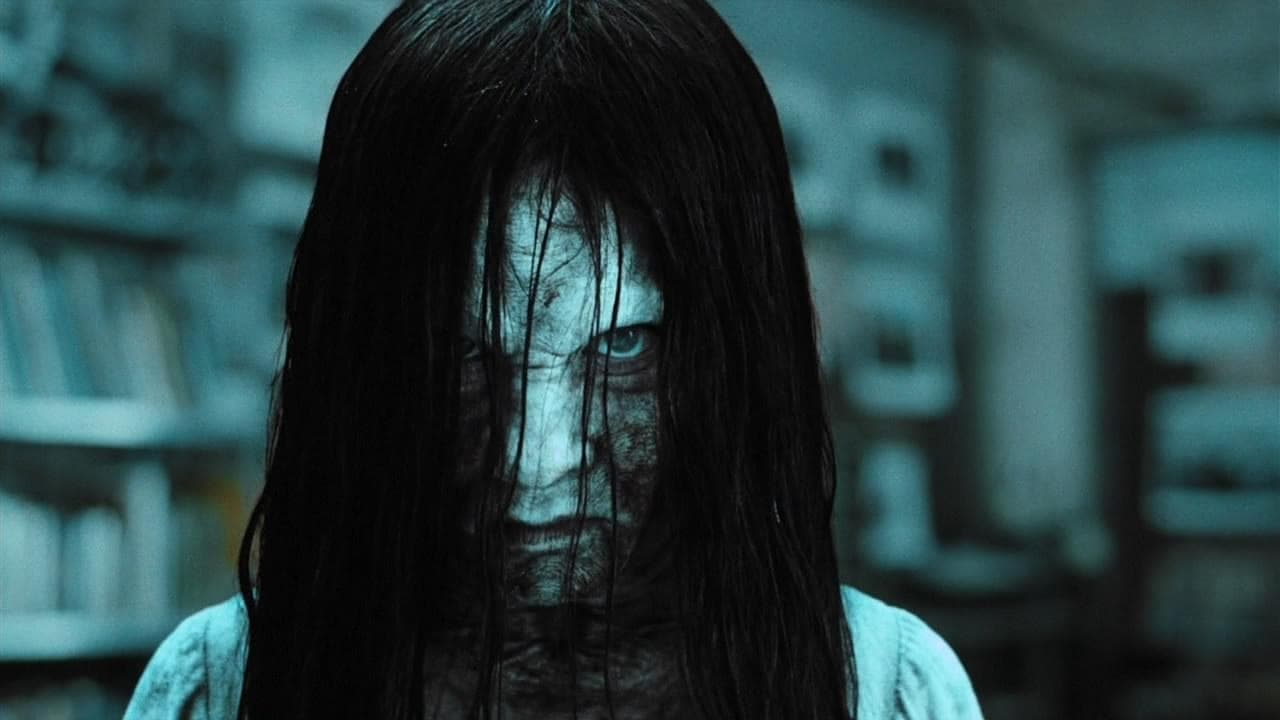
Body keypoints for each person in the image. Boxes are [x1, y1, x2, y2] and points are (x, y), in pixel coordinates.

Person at [126, 0, 982, 718]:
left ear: (733, 352)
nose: (535, 461)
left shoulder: (885, 690)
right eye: (462, 353)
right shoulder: (219, 689)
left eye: (623, 345)